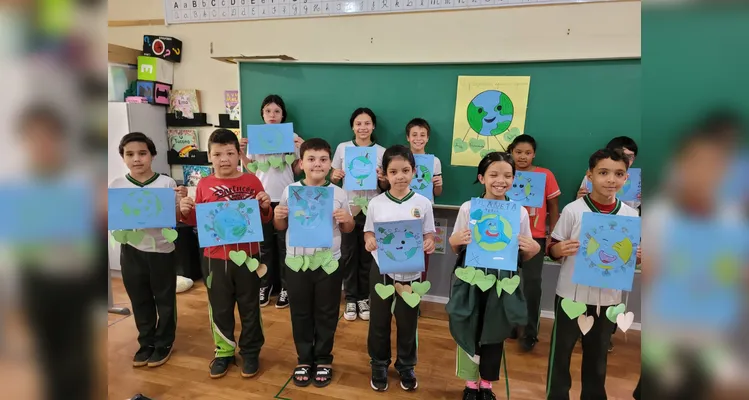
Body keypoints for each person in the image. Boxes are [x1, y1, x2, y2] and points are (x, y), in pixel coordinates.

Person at [546, 148, 641, 400]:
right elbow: (552, 248)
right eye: (603, 173)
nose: (611, 179)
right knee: (561, 352)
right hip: (571, 295)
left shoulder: (631, 215)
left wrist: (637, 255)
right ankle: (557, 395)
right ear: (590, 176)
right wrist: (558, 248)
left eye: (619, 174)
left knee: (597, 355)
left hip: (608, 298)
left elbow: (628, 255)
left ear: (626, 179)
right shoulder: (573, 210)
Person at [179, 129, 273, 379]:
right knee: (219, 307)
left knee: (250, 305)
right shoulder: (204, 184)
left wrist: (264, 205)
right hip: (215, 258)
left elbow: (264, 218)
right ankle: (223, 352)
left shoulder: (252, 181)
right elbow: (195, 222)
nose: (224, 159)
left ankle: (251, 351)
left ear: (238, 154)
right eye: (217, 154)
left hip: (248, 256)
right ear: (209, 156)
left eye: (230, 153)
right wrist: (185, 210)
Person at [447, 151, 540, 400]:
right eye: (494, 175)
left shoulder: (518, 212)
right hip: (472, 278)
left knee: (495, 329)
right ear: (481, 178)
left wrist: (533, 249)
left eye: (508, 176)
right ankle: (470, 382)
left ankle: (486, 383)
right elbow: (457, 247)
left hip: (502, 280)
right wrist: (455, 240)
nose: (501, 180)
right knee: (469, 325)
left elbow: (524, 253)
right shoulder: (468, 208)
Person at [273, 138, 355, 388]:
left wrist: (344, 220)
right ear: (301, 163)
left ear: (330, 163)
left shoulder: (339, 193)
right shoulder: (290, 191)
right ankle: (304, 359)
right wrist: (278, 216)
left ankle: (323, 359)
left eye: (322, 159)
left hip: (328, 263)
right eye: (311, 159)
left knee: (327, 312)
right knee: (300, 311)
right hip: (297, 262)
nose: (317, 164)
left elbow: (349, 227)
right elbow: (281, 226)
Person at [363, 145, 436, 392]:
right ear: (384, 174)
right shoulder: (376, 203)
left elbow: (429, 234)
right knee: (379, 321)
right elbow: (369, 232)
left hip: (411, 274)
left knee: (407, 322)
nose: (400, 176)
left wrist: (429, 242)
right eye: (393, 171)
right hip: (382, 271)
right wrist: (369, 240)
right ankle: (379, 364)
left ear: (414, 171)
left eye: (405, 170)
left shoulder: (423, 203)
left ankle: (406, 365)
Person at [109, 132, 184, 368]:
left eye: (142, 153)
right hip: (131, 250)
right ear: (123, 157)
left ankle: (164, 341)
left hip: (161, 251)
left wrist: (182, 203)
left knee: (164, 298)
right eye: (130, 154)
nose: (137, 159)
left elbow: (177, 218)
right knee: (139, 298)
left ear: (152, 155)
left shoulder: (166, 184)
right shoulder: (117, 185)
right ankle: (146, 342)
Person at [240, 94, 304, 309]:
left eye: (277, 111)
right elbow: (252, 168)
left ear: (282, 114)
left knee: (286, 246)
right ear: (262, 114)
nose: (272, 115)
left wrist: (301, 150)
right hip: (262, 198)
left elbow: (296, 170)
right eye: (268, 111)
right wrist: (241, 153)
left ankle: (286, 287)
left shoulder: (291, 136)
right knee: (264, 246)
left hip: (286, 197)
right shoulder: (255, 137)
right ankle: (265, 285)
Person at [331, 107, 388, 321]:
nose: (362, 127)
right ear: (352, 126)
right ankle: (351, 298)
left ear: (373, 126)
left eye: (367, 123)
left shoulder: (382, 152)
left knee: (367, 256)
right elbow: (334, 178)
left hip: (372, 209)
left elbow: (384, 185)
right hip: (348, 209)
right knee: (348, 255)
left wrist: (382, 178)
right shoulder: (343, 148)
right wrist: (335, 175)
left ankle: (364, 297)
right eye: (358, 123)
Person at [507, 134, 561, 352]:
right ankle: (511, 325)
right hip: (507, 236)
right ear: (511, 152)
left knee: (531, 285)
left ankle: (530, 332)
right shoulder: (505, 172)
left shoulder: (544, 175)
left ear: (534, 154)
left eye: (527, 153)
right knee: (508, 283)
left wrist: (553, 235)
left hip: (535, 237)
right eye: (518, 152)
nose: (522, 157)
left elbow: (554, 207)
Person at [405, 117, 443, 281]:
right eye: (414, 134)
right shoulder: (402, 158)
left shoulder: (434, 161)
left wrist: (438, 184)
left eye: (422, 135)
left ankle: (416, 297)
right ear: (408, 137)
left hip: (424, 212)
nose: (418, 139)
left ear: (428, 138)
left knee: (422, 254)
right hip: (403, 209)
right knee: (403, 249)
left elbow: (438, 193)